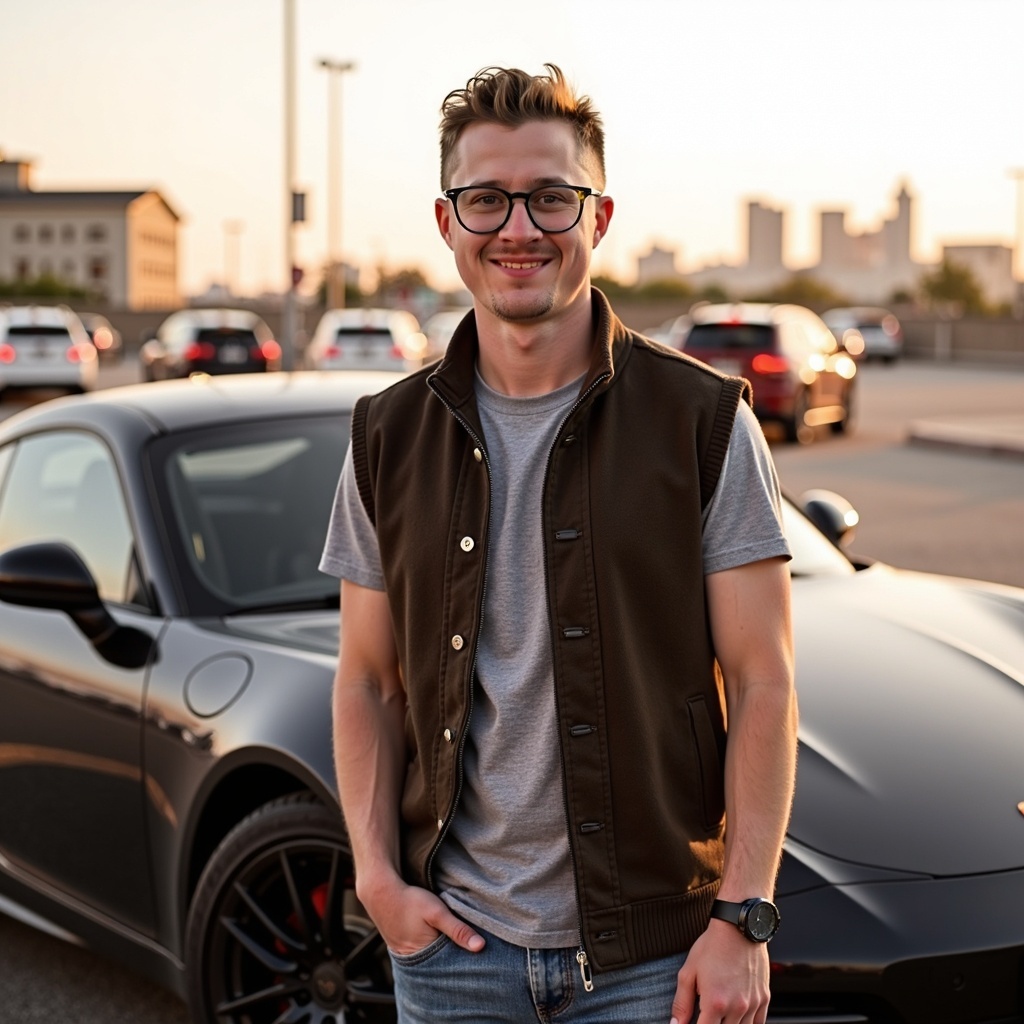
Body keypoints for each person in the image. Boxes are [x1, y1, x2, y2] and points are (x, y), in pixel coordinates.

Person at [321, 63, 798, 1024]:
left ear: (600, 216)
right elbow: (368, 680)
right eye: (487, 200)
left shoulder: (701, 424)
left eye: (550, 197)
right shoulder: (386, 437)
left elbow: (763, 682)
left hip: (651, 965)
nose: (520, 229)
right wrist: (377, 880)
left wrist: (743, 917)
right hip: (451, 954)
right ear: (448, 221)